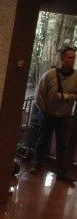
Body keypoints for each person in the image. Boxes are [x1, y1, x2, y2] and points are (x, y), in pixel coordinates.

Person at [30, 46, 77, 183]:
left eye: (74, 57)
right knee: (42, 140)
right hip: (48, 114)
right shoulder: (50, 75)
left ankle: (62, 172)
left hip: (65, 116)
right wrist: (44, 110)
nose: (72, 60)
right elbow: (39, 94)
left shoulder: (76, 77)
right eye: (69, 57)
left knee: (63, 145)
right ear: (62, 58)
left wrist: (65, 96)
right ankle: (37, 163)